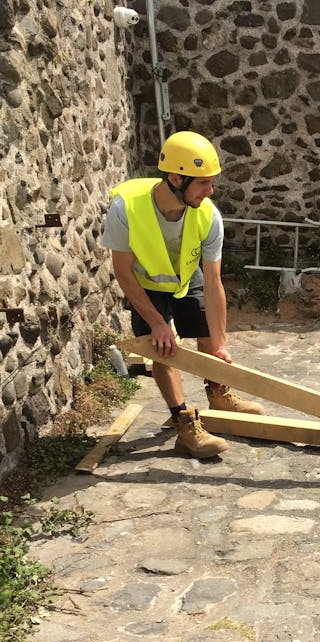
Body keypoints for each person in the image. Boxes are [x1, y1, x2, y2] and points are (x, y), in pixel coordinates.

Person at [103, 131, 246, 460]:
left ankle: (218, 393)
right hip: (145, 285)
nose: (211, 191)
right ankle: (185, 425)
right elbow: (123, 272)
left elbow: (213, 283)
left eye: (211, 183)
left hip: (186, 278)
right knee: (163, 349)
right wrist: (157, 323)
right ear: (176, 179)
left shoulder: (208, 215)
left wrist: (221, 344)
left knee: (209, 335)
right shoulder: (126, 207)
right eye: (203, 183)